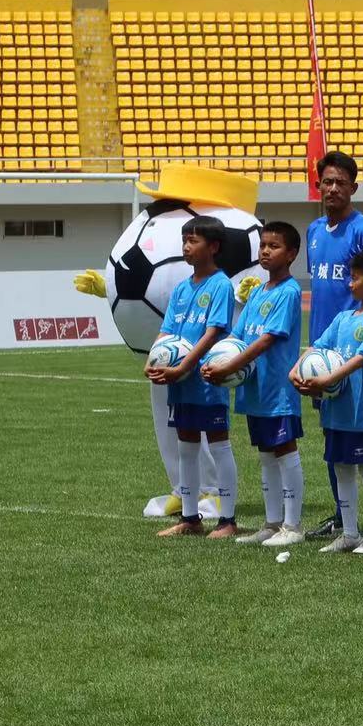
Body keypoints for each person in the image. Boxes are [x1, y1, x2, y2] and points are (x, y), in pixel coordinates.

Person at [306, 151, 363, 539]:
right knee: (332, 432)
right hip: (325, 350)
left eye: (341, 182)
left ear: (353, 187)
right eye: (327, 181)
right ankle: (344, 520)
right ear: (318, 185)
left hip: (356, 350)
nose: (333, 188)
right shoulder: (312, 232)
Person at [204, 220, 304, 547]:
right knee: (265, 454)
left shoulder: (289, 292)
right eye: (263, 245)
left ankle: (292, 525)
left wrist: (229, 366)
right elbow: (237, 335)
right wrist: (215, 360)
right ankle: (272, 522)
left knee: (284, 451)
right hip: (254, 389)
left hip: (277, 390)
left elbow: (265, 341)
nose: (265, 251)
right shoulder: (259, 291)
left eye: (273, 246)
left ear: (291, 254)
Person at [292, 248, 363, 554]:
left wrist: (328, 379)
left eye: (355, 278)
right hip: (335, 408)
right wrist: (295, 370)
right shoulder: (343, 317)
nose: (350, 284)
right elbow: (318, 346)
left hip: (360, 409)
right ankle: (349, 532)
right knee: (340, 467)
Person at [146, 216, 240, 538]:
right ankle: (191, 518)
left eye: (194, 240)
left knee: (218, 445)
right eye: (184, 240)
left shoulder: (221, 285)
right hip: (180, 381)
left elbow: (213, 332)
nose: (187, 246)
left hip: (206, 380)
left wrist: (184, 366)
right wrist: (153, 359)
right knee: (186, 446)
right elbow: (167, 331)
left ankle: (227, 520)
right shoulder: (182, 289)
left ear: (213, 247)